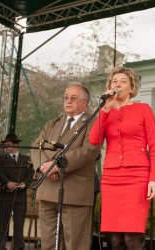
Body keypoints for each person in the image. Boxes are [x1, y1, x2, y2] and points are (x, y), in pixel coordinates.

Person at [89, 66, 155, 250]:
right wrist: (106, 108)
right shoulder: (107, 112)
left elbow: (154, 147)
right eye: (114, 81)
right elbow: (94, 139)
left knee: (131, 237)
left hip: (137, 177)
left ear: (131, 88)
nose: (118, 84)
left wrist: (153, 179)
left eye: (123, 81)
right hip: (112, 178)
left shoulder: (143, 109)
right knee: (114, 239)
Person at [30, 84, 98, 250]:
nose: (68, 101)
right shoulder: (53, 123)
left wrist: (56, 167)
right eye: (66, 97)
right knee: (48, 244)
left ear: (84, 103)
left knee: (75, 244)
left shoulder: (92, 123)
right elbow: (36, 146)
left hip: (74, 191)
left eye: (73, 98)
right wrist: (43, 168)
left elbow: (88, 151)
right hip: (47, 189)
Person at [0, 133, 34, 250]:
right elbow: (0, 173)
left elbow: (30, 174)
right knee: (3, 223)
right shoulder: (2, 159)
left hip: (20, 196)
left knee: (19, 224)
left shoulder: (26, 159)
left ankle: (19, 247)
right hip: (5, 195)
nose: (6, 147)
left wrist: (25, 184)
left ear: (16, 144)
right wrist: (7, 183)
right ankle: (1, 247)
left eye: (8, 144)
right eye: (5, 145)